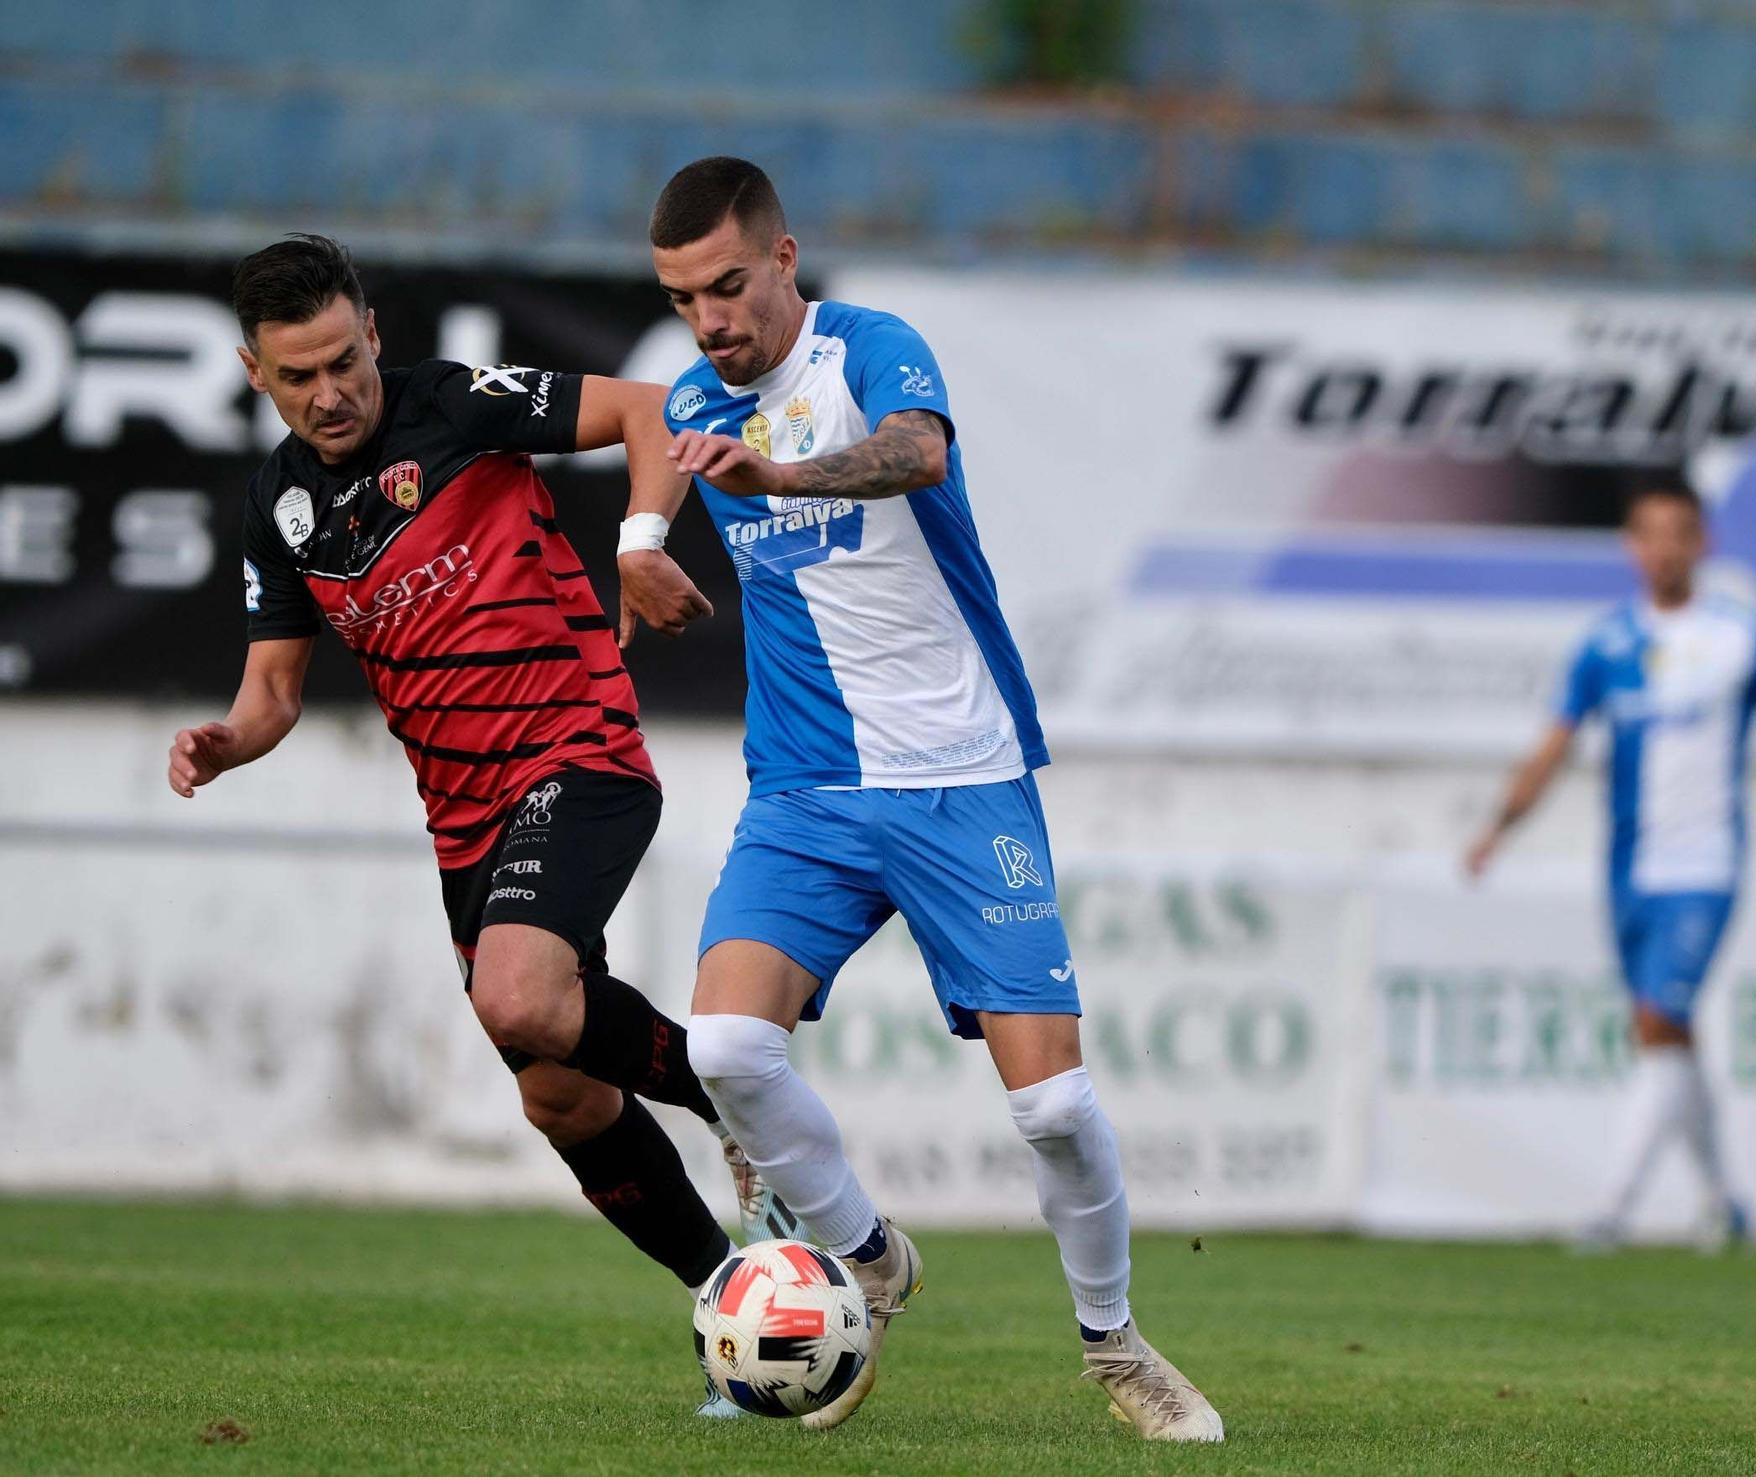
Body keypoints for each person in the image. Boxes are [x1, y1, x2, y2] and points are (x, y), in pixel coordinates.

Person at [612, 157, 1223, 1441]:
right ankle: (868, 1258)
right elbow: (654, 444)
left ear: (783, 258)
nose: (711, 320)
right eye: (682, 299)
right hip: (807, 788)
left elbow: (915, 454)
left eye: (728, 286)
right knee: (725, 1047)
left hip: (959, 773)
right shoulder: (686, 392)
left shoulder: (871, 349)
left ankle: (1112, 1343)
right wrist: (642, 546)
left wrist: (774, 481)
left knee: (1050, 1106)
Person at [166, 234, 790, 1415]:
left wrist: (641, 543)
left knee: (519, 995)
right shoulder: (280, 506)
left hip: (576, 753)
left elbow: (655, 407)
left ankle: (747, 1106)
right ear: (258, 376)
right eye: (299, 376)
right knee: (557, 1090)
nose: (331, 392)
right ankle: (733, 1305)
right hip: (463, 823)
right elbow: (273, 696)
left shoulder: (454, 406)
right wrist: (226, 742)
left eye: (345, 361)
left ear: (372, 338)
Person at [1465, 479, 1756, 1248]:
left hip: (1708, 863)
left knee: (1658, 1017)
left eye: (1681, 532)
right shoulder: (1605, 645)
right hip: (1629, 868)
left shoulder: (1742, 638)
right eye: (1651, 533)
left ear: (1704, 542)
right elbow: (1552, 748)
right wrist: (1498, 827)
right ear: (1631, 547)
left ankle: (1610, 1207)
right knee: (1667, 1034)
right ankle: (1726, 1201)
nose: (1665, 548)